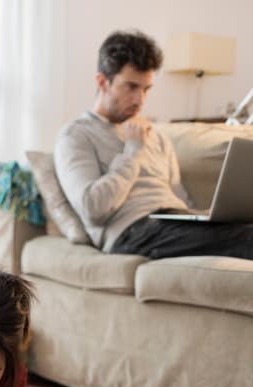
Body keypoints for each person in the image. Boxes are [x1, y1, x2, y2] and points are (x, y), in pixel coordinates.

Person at [54, 29, 253, 260]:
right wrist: (133, 151)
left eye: (146, 89)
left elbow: (180, 200)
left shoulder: (155, 135)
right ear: (102, 82)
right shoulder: (76, 135)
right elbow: (92, 209)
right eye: (131, 87)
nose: (140, 99)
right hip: (132, 232)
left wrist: (205, 218)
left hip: (172, 223)